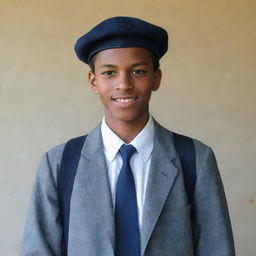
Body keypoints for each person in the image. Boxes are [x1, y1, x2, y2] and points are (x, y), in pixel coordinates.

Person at [21, 16, 235, 256]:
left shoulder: (194, 159)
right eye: (109, 73)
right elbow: (38, 250)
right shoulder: (59, 164)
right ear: (93, 82)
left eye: (139, 71)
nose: (124, 84)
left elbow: (217, 249)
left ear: (156, 78)